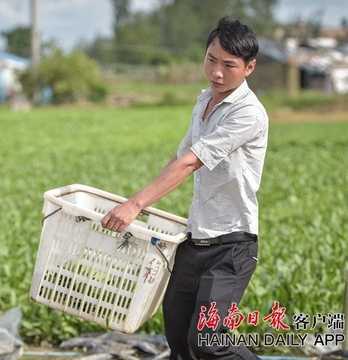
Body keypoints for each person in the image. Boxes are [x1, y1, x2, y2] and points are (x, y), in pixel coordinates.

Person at [101, 16, 268, 360]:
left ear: (249, 67)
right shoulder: (204, 101)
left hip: (232, 246)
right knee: (179, 338)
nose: (216, 72)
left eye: (229, 65)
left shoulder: (248, 113)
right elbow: (179, 158)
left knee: (208, 340)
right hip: (194, 241)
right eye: (211, 59)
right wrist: (142, 201)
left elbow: (192, 162)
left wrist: (135, 204)